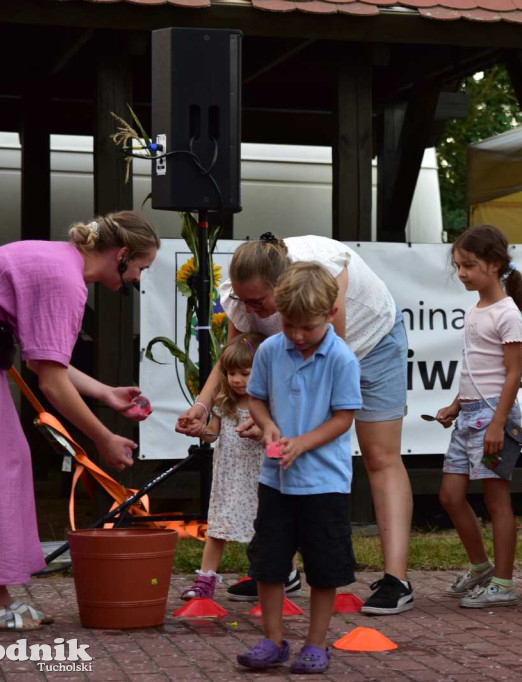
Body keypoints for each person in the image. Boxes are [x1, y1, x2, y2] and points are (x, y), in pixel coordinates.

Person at [0, 211, 159, 630]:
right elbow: (52, 383)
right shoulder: (65, 279)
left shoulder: (59, 262)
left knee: (0, 460)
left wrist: (106, 395)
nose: (138, 279)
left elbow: (47, 360)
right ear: (121, 255)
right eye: (140, 267)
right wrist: (102, 438)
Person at [176, 233, 413, 615]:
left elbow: (330, 366)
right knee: (279, 461)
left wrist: (274, 421)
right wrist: (203, 406)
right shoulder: (243, 295)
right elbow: (236, 355)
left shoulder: (326, 274)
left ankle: (396, 580)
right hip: (311, 347)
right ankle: (280, 571)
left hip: (373, 342)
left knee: (379, 455)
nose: (248, 308)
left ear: (283, 288)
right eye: (241, 300)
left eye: (257, 302)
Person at [235, 262, 361, 674]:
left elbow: (344, 417)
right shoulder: (271, 350)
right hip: (276, 482)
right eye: (289, 325)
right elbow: (256, 399)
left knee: (324, 569)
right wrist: (268, 426)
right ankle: (272, 639)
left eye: (307, 327)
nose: (297, 335)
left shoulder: (341, 359)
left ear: (331, 315)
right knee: (268, 563)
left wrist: (302, 443)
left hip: (324, 483)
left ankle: (316, 643)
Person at [436, 224, 522, 608]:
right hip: (469, 416)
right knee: (450, 495)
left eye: (469, 266)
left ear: (494, 265)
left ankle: (504, 583)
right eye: (458, 266)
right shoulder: (477, 308)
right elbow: (475, 367)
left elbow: (513, 374)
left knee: (497, 501)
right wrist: (456, 404)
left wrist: (496, 424)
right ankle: (481, 567)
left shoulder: (507, 313)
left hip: (494, 417)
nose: (462, 273)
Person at [180, 334, 265, 602]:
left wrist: (260, 433)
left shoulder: (267, 404)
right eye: (230, 373)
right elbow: (213, 435)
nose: (236, 379)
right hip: (229, 477)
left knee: (268, 527)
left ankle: (273, 579)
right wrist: (200, 430)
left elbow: (273, 436)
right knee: (218, 528)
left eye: (245, 373)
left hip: (260, 476)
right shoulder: (223, 402)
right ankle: (205, 579)